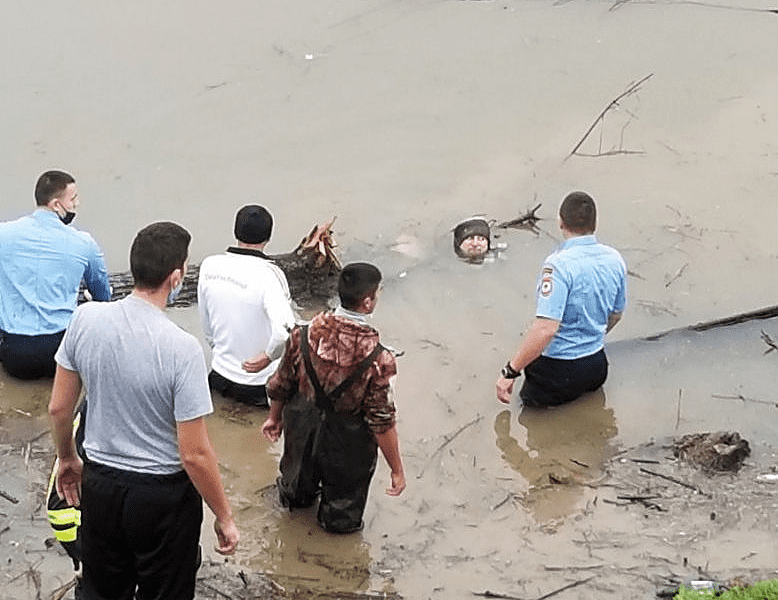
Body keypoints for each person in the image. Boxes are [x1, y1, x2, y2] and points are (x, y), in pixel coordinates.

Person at [48, 221, 239, 600]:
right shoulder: (183, 349)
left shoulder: (85, 319)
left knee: (101, 591)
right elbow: (194, 454)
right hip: (162, 498)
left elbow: (58, 408)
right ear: (176, 277)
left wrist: (67, 458)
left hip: (100, 484)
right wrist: (224, 515)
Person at [262, 262, 405, 534]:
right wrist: (396, 469)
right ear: (367, 303)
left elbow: (280, 383)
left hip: (302, 427)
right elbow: (382, 422)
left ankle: (291, 534)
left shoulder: (303, 335)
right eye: (378, 292)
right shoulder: (380, 359)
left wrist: (274, 418)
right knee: (341, 518)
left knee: (294, 495)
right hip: (348, 443)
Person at [496, 191, 627, 408]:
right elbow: (616, 314)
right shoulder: (615, 259)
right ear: (594, 223)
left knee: (528, 418)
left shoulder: (557, 266)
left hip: (556, 373)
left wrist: (510, 371)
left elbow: (546, 329)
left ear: (560, 222)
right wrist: (589, 338)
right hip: (596, 366)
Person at [0, 170, 111, 379]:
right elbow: (102, 296)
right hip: (61, 352)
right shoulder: (84, 243)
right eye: (73, 199)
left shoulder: (3, 234)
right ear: (56, 205)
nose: (77, 204)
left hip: (15, 354)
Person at [198, 205, 295, 407]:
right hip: (259, 383)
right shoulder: (270, 275)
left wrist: (223, 354)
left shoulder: (209, 265)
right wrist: (268, 357)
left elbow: (206, 323)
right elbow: (285, 331)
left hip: (219, 377)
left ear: (236, 232)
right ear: (268, 237)